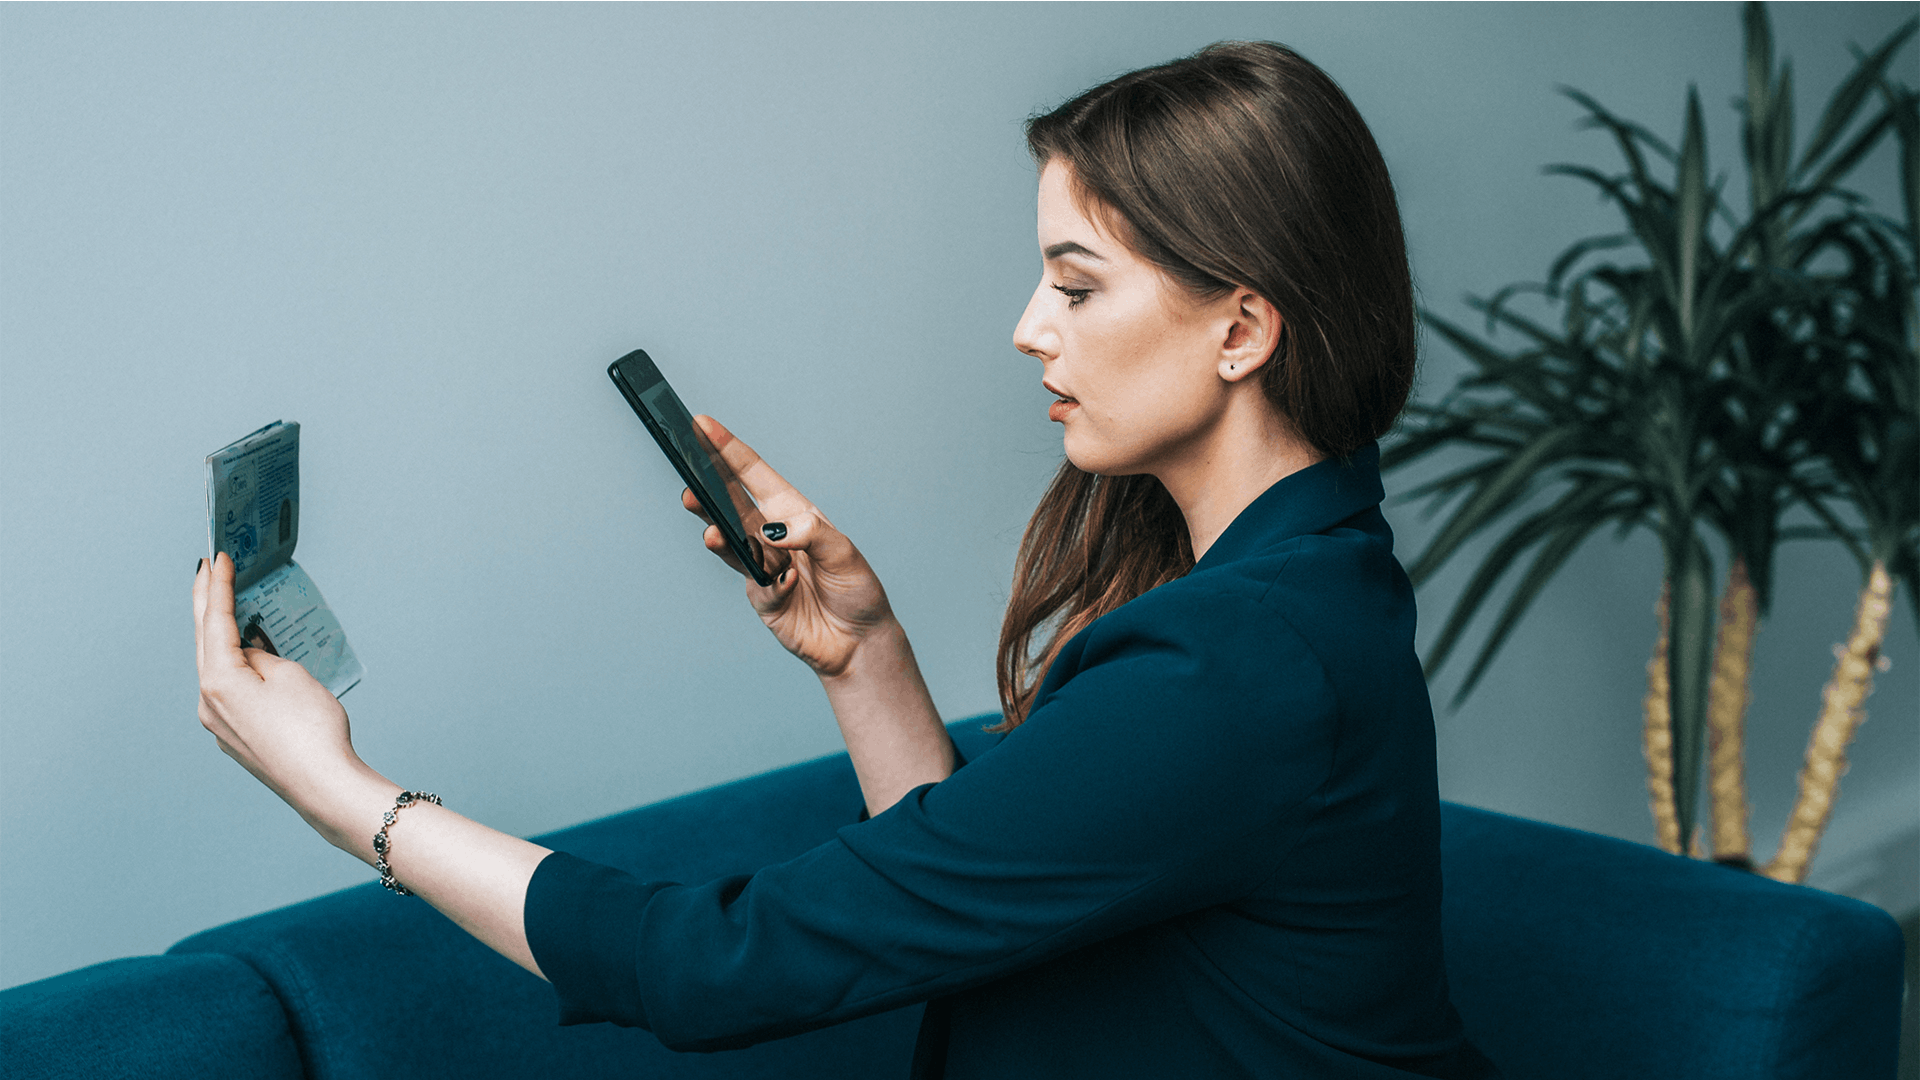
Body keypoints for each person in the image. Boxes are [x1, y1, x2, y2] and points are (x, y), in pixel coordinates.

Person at [193, 41, 1498, 1079]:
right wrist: (864, 654)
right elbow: (976, 916)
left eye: (1080, 286)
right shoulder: (1313, 582)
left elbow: (714, 968)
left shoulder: (1232, 665)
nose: (1028, 329)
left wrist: (342, 793)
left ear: (1241, 330)